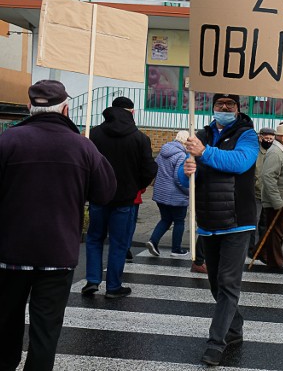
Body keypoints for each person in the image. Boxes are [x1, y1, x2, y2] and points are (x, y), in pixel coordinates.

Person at [0, 80, 116, 371]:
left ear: (30, 107)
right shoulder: (82, 146)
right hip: (57, 255)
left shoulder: (7, 141)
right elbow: (105, 193)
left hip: (9, 253)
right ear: (66, 109)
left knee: (4, 325)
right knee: (46, 330)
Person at [179, 93, 259, 367]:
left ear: (238, 108)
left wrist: (204, 153)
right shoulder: (200, 134)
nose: (224, 108)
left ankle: (216, 343)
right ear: (212, 107)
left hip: (238, 221)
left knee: (227, 283)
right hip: (209, 222)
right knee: (215, 284)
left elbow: (240, 163)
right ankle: (234, 327)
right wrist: (187, 169)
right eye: (219, 104)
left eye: (230, 104)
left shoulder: (247, 135)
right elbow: (186, 176)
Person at [83, 96, 157, 299]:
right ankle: (113, 286)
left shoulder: (94, 134)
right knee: (119, 243)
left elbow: (86, 165)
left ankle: (92, 280)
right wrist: (136, 186)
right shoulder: (140, 138)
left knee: (94, 239)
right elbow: (150, 169)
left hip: (99, 196)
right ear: (131, 112)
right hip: (125, 199)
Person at [257, 123, 283, 273]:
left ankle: (263, 252)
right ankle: (276, 262)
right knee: (276, 232)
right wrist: (277, 202)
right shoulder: (275, 152)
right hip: (279, 202)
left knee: (278, 231)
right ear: (282, 137)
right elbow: (268, 177)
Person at [146, 131, 190, 257]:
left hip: (161, 192)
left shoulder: (163, 151)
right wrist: (188, 192)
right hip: (176, 195)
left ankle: (153, 241)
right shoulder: (181, 155)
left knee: (165, 219)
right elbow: (179, 178)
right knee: (179, 221)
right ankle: (176, 249)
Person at [248, 127, 276, 257]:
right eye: (267, 138)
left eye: (271, 139)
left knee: (265, 223)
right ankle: (252, 248)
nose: (269, 141)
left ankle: (261, 248)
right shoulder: (255, 151)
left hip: (268, 194)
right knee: (254, 221)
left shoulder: (274, 152)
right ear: (261, 137)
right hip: (256, 193)